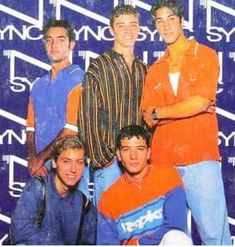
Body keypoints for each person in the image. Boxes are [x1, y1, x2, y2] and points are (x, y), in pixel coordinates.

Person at [141, 0, 231, 245]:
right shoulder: (155, 69)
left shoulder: (205, 55)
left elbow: (201, 102)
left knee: (215, 236)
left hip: (199, 158)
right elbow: (148, 115)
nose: (165, 25)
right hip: (163, 162)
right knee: (170, 237)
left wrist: (163, 112)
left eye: (170, 18)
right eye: (159, 20)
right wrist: (185, 107)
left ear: (181, 21)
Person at [78, 4, 148, 205]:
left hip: (137, 163)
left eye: (133, 25)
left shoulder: (143, 69)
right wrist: (104, 161)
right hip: (110, 164)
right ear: (111, 30)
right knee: (108, 226)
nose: (128, 30)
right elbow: (87, 119)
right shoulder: (98, 67)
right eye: (121, 25)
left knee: (136, 224)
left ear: (139, 29)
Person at [97, 125, 192, 245]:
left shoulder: (168, 176)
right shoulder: (108, 199)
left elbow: (176, 226)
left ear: (148, 153)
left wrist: (138, 244)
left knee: (176, 238)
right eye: (126, 150)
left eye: (140, 149)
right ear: (119, 155)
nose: (133, 156)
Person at [10, 136, 96, 245]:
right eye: (66, 161)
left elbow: (89, 241)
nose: (74, 169)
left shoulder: (84, 203)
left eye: (79, 162)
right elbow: (20, 231)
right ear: (54, 162)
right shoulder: (38, 188)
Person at [26, 19, 85, 177]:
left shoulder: (80, 80)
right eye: (49, 40)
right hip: (41, 170)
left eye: (60, 40)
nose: (54, 45)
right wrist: (34, 159)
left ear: (71, 44)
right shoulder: (38, 85)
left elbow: (70, 130)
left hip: (69, 170)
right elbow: (30, 128)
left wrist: (39, 159)